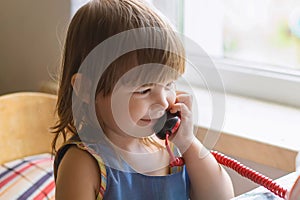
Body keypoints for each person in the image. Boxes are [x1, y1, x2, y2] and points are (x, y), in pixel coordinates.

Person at [52, 0, 234, 199]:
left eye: (168, 85)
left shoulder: (172, 148)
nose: (163, 103)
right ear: (86, 89)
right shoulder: (83, 163)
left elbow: (221, 197)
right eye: (144, 90)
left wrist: (188, 142)